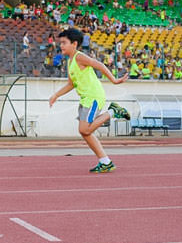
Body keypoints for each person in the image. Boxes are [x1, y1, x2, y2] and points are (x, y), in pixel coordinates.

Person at [47, 27, 128, 173]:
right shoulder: (70, 62)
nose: (61, 46)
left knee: (84, 129)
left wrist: (114, 80)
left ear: (75, 44)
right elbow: (71, 84)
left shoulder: (79, 57)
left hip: (93, 97)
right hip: (86, 99)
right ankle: (105, 161)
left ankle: (113, 112)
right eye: (60, 43)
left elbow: (100, 65)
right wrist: (55, 95)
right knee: (85, 133)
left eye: (64, 42)